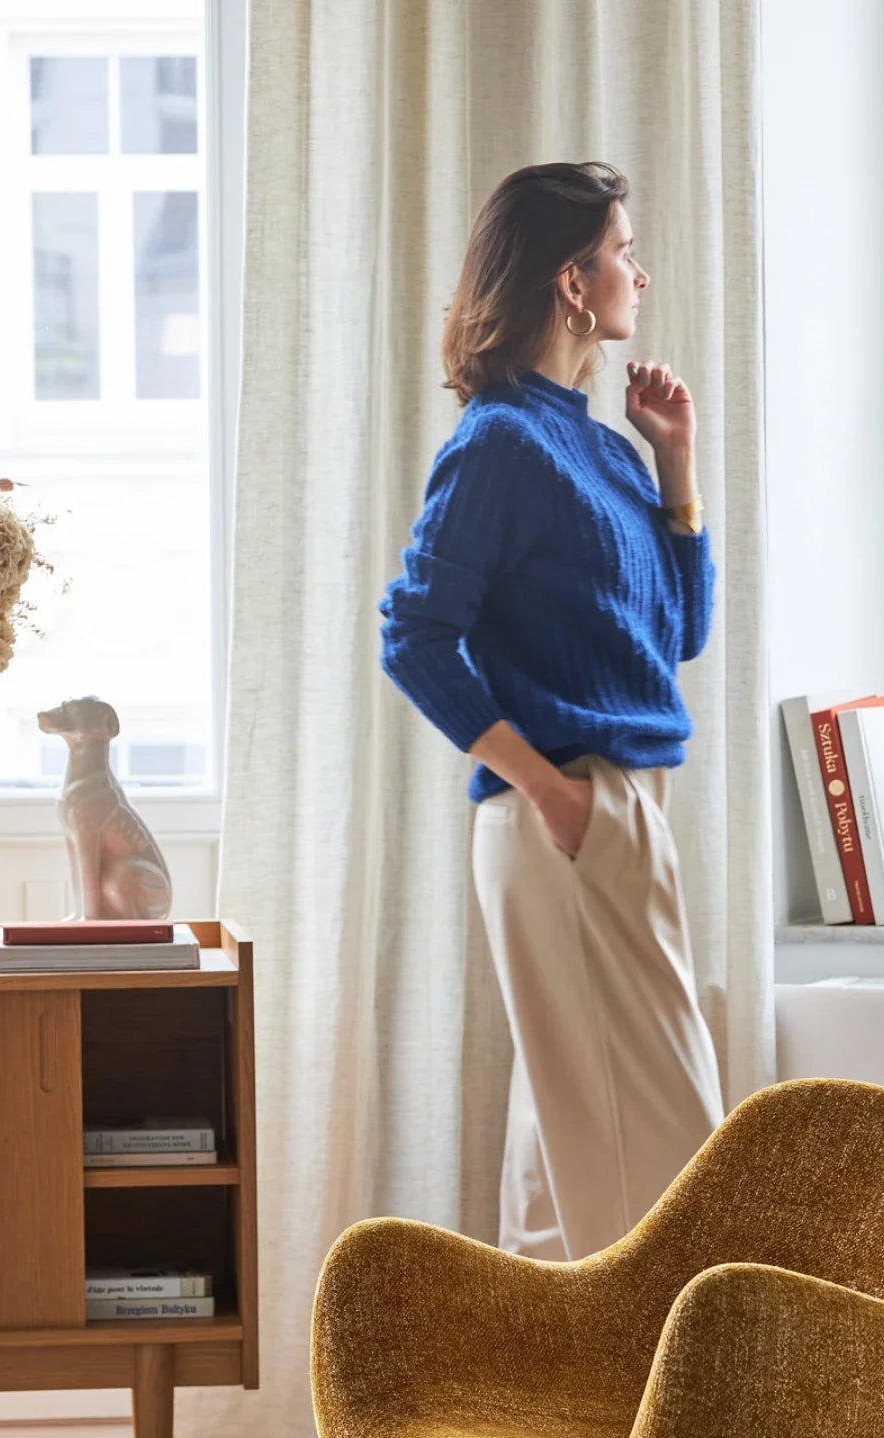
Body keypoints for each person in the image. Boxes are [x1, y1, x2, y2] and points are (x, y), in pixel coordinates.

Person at [380, 160, 723, 1263]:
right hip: (568, 812)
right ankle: (665, 1375)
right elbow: (414, 633)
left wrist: (676, 466)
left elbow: (678, 635)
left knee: (565, 1158)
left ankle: (531, 1364)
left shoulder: (602, 447)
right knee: (667, 1159)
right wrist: (546, 792)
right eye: (624, 251)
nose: (640, 272)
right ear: (573, 282)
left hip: (620, 807)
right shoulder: (500, 442)